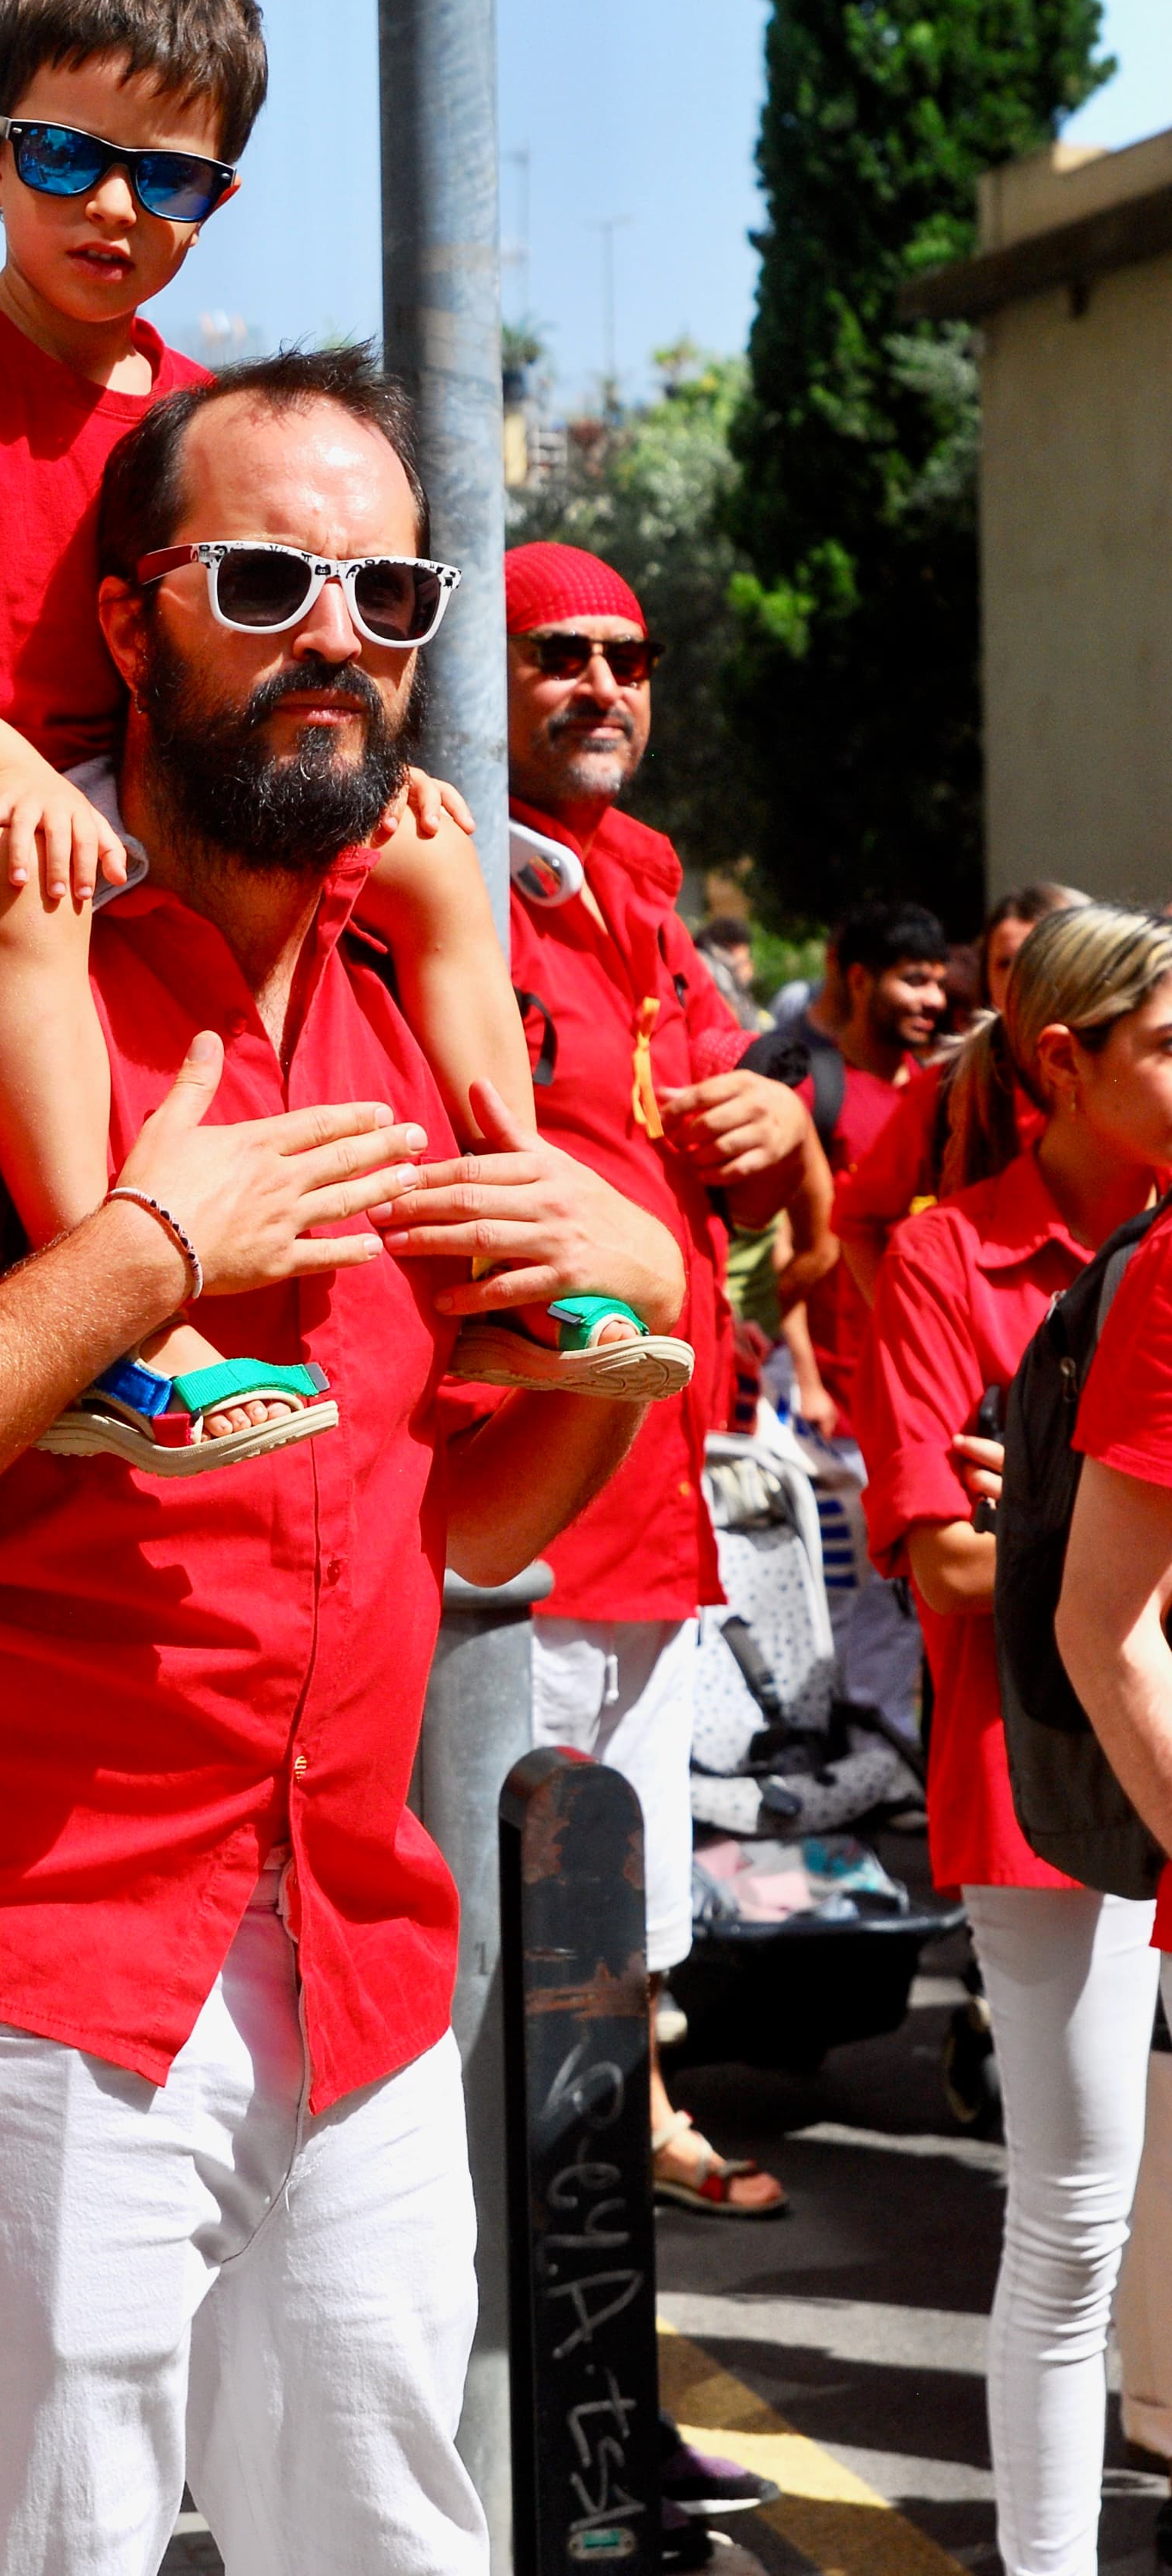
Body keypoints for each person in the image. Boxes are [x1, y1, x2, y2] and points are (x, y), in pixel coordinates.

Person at [0, 350, 683, 2572]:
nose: (337, 637)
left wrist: (621, 1347)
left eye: (391, 597)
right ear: (129, 623)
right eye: (264, 581)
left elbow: (458, 1523)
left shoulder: (413, 1024)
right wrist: (140, 1258)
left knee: (394, 2541)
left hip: (362, 1965)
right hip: (14, 1970)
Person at [0, 0, 649, 1464]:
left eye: (167, 178)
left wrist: (375, 766)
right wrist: (12, 778)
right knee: (27, 882)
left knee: (437, 865)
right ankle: (104, 1299)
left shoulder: (192, 414)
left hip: (109, 784)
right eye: (66, 156)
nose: (114, 207)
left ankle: (505, 1238)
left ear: (217, 199)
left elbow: (265, 639)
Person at [490, 539, 821, 2234]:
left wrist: (785, 1128)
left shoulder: (644, 893)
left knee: (614, 1918)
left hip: (654, 1510)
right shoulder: (447, 880)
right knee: (519, 1933)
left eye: (628, 658)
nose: (602, 685)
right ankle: (523, 2329)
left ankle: (605, 2227)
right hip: (519, 1509)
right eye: (558, 653)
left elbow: (768, 1209)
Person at [854, 905, 1172, 2576]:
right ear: (1066, 1059)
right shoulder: (941, 1261)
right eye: (1170, 1044)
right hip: (1040, 1779)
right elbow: (945, 1563)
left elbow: (1022, 1550)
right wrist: (1086, 1527)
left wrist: (1044, 1504)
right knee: (1073, 2216)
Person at [747, 899, 949, 1738]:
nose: (932, 999)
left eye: (938, 981)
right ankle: (825, 1735)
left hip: (914, 1382)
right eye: (912, 980)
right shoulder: (811, 1086)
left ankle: (878, 1737)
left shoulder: (941, 1089)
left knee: (897, 1577)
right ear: (859, 979)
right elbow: (780, 1242)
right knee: (833, 1578)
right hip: (827, 1386)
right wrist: (805, 1374)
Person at [835, 882, 1088, 1293]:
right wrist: (911, 1318)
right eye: (1005, 963)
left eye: (1040, 959)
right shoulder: (951, 1087)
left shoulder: (1133, 1076)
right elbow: (856, 1221)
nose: (1022, 979)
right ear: (986, 979)